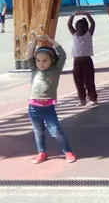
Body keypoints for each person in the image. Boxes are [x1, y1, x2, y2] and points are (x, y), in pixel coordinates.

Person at [26, 32, 77, 164]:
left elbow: (63, 55)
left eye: (45, 60)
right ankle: (41, 152)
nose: (41, 63)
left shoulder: (55, 70)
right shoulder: (34, 70)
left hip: (47, 108)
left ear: (52, 61)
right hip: (33, 108)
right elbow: (29, 55)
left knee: (55, 131)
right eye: (38, 60)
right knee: (38, 132)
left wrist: (51, 40)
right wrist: (34, 41)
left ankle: (68, 152)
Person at [67, 11, 97, 106]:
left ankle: (93, 98)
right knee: (78, 81)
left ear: (86, 28)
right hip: (77, 62)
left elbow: (93, 23)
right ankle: (82, 99)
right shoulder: (74, 34)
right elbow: (69, 24)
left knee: (89, 81)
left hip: (86, 61)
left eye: (82, 28)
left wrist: (87, 14)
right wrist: (73, 15)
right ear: (76, 28)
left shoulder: (88, 34)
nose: (80, 30)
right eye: (78, 28)